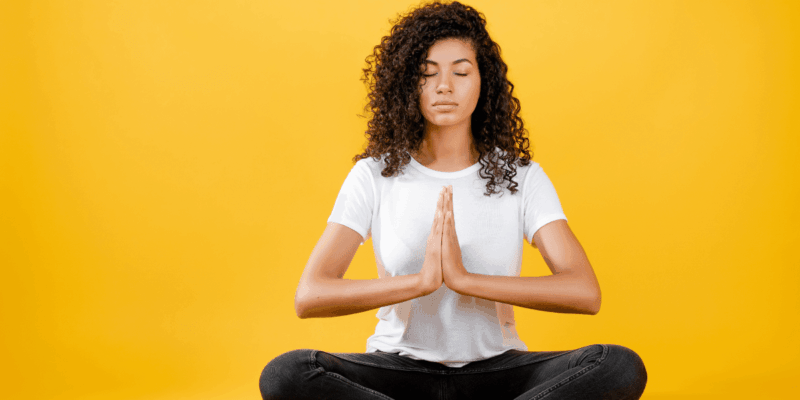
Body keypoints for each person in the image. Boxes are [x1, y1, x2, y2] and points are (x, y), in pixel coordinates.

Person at [260, 1, 647, 399]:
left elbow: (583, 291)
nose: (445, 85)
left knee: (616, 364)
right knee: (287, 373)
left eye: (461, 71)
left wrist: (465, 280)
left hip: (497, 372)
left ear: (484, 81)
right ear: (407, 84)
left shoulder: (521, 177)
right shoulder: (374, 175)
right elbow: (311, 295)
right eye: (428, 74)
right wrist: (422, 282)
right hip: (399, 369)